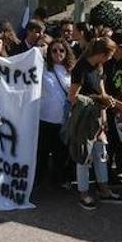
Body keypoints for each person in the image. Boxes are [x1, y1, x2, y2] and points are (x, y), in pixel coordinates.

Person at [68, 38, 122, 210]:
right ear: (102, 54)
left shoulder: (99, 67)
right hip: (84, 118)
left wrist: (106, 113)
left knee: (100, 153)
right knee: (83, 155)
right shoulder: (80, 68)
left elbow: (102, 93)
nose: (110, 59)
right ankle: (83, 192)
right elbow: (73, 96)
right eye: (109, 55)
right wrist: (99, 100)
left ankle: (104, 189)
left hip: (98, 117)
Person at [38, 39, 75, 189]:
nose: (58, 53)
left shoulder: (72, 70)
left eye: (62, 50)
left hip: (64, 119)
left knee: (62, 153)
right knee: (43, 152)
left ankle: (60, 180)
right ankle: (40, 181)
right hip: (45, 118)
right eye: (54, 50)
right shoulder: (43, 68)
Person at [103, 30, 122, 180]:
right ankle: (106, 173)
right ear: (121, 47)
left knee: (118, 140)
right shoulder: (106, 63)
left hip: (118, 105)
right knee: (109, 142)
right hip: (106, 107)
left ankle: (118, 169)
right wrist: (117, 106)